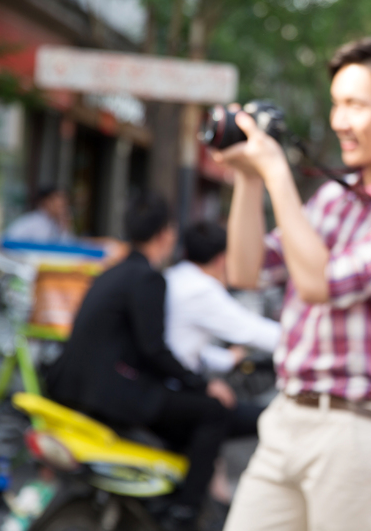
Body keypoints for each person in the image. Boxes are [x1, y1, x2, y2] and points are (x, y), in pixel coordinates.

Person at [215, 37, 371, 531]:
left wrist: (277, 172)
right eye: (335, 104)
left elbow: (321, 282)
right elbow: (246, 269)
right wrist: (249, 178)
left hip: (355, 429)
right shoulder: (332, 197)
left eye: (355, 105)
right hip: (285, 416)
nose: (338, 121)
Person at [46, 193, 234, 531]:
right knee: (212, 411)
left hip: (75, 388)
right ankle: (184, 512)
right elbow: (153, 349)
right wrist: (204, 384)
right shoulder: (148, 278)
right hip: (111, 394)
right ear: (165, 234)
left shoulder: (111, 273)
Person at [165, 220, 281, 436]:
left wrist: (228, 358)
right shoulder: (202, 290)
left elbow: (181, 344)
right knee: (265, 420)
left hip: (170, 384)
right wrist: (306, 340)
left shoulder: (174, 276)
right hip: (179, 391)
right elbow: (252, 331)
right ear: (222, 259)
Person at [3, 185, 72, 242]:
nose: (62, 204)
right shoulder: (30, 222)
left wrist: (63, 228)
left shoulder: (59, 224)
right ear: (46, 201)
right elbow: (8, 240)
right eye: (58, 200)